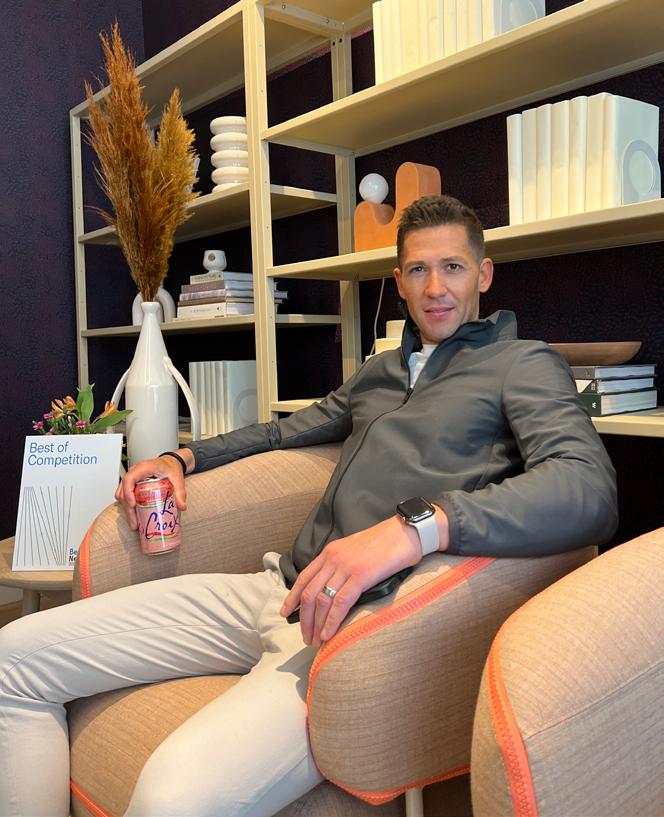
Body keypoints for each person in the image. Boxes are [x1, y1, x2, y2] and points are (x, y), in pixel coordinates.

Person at [0, 195, 618, 817]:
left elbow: (586, 487)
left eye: (453, 267)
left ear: (483, 274)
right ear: (399, 280)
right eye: (419, 270)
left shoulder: (521, 364)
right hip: (274, 588)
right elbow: (282, 432)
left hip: (349, 627)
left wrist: (416, 529)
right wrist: (181, 457)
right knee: (11, 661)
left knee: (171, 799)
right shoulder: (380, 372)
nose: (436, 288)